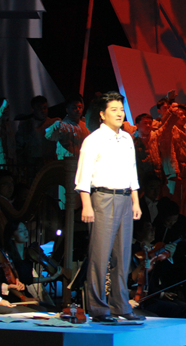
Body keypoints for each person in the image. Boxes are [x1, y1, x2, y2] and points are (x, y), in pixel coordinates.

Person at [74, 91, 143, 322]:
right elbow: (83, 175)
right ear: (102, 114)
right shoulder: (93, 139)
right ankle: (98, 308)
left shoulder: (127, 139)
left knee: (123, 256)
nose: (119, 113)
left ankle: (121, 306)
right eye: (114, 110)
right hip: (102, 198)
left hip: (125, 198)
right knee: (100, 256)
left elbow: (132, 172)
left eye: (121, 110)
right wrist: (86, 205)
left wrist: (135, 201)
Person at [44, 95, 89, 160]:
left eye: (80, 107)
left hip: (81, 161)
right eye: (74, 108)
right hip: (65, 162)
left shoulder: (85, 125)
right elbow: (48, 135)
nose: (78, 110)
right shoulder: (62, 125)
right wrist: (56, 126)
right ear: (67, 110)